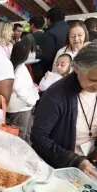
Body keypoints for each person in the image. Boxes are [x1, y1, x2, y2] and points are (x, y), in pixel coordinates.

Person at [31, 41, 97, 179]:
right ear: (77, 68)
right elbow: (39, 137)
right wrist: (75, 160)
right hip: (58, 168)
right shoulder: (56, 95)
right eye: (93, 80)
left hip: (90, 165)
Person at [7, 39, 39, 143]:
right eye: (31, 51)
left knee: (25, 133)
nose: (33, 54)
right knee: (19, 136)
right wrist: (31, 100)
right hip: (20, 107)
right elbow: (17, 87)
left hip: (22, 106)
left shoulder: (19, 65)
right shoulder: (19, 68)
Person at [39, 7, 69, 76]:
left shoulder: (49, 33)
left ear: (48, 20)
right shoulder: (72, 29)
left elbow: (46, 57)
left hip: (54, 72)